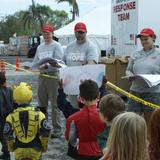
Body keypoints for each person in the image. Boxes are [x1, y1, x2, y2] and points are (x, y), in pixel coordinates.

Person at [57, 77, 107, 158]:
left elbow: (62, 103)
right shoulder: (105, 115)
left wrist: (61, 89)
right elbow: (105, 100)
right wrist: (103, 86)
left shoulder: (73, 115)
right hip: (101, 152)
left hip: (80, 153)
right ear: (98, 96)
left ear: (80, 97)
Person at [4, 82, 51, 160]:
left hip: (19, 149)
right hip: (35, 149)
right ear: (31, 98)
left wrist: (11, 148)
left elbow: (7, 134)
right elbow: (46, 131)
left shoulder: (11, 116)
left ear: (15, 99)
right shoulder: (39, 114)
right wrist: (44, 147)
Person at [32, 24, 64, 138]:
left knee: (55, 104)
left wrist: (48, 66)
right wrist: (34, 67)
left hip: (53, 76)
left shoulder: (57, 45)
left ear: (52, 34)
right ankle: (44, 127)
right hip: (42, 76)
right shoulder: (40, 47)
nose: (46, 36)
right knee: (42, 104)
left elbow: (59, 62)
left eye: (48, 34)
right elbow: (35, 62)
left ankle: (57, 130)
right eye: (44, 34)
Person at [126, 28, 160, 125]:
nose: (143, 42)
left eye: (146, 39)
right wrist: (130, 76)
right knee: (131, 121)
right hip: (135, 91)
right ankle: (135, 140)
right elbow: (128, 70)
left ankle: (150, 140)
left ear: (153, 38)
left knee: (151, 123)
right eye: (141, 39)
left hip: (153, 93)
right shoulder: (136, 54)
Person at [64, 22, 99, 107]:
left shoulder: (91, 46)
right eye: (78, 32)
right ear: (74, 33)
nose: (80, 35)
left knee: (85, 108)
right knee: (73, 107)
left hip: (85, 83)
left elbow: (92, 63)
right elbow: (64, 62)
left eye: (82, 32)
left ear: (86, 32)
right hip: (71, 83)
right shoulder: (69, 47)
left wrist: (83, 67)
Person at [0, 72, 13, 160]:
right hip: (9, 117)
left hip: (1, 117)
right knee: (6, 135)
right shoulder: (10, 90)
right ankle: (6, 152)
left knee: (2, 136)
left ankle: (6, 153)